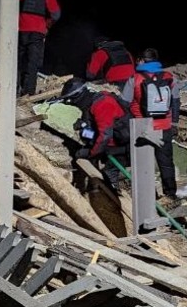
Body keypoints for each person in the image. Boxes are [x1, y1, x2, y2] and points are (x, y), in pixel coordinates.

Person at [124, 48, 181, 203]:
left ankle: (146, 198)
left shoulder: (134, 79)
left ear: (142, 60)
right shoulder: (169, 77)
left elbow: (125, 103)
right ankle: (170, 195)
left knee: (142, 164)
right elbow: (175, 102)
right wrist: (174, 122)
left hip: (141, 126)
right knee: (166, 163)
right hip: (164, 125)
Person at [67, 78, 132, 190]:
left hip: (121, 146)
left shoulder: (102, 105)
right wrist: (83, 126)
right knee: (84, 135)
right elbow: (92, 132)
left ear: (78, 97)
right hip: (111, 142)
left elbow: (104, 137)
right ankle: (88, 187)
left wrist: (92, 153)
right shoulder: (91, 103)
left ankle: (111, 195)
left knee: (109, 172)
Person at [17, 0, 60, 96]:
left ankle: (12, 88)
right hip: (38, 31)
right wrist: (47, 25)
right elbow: (56, 14)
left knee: (16, 61)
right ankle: (28, 92)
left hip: (20, 30)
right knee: (33, 62)